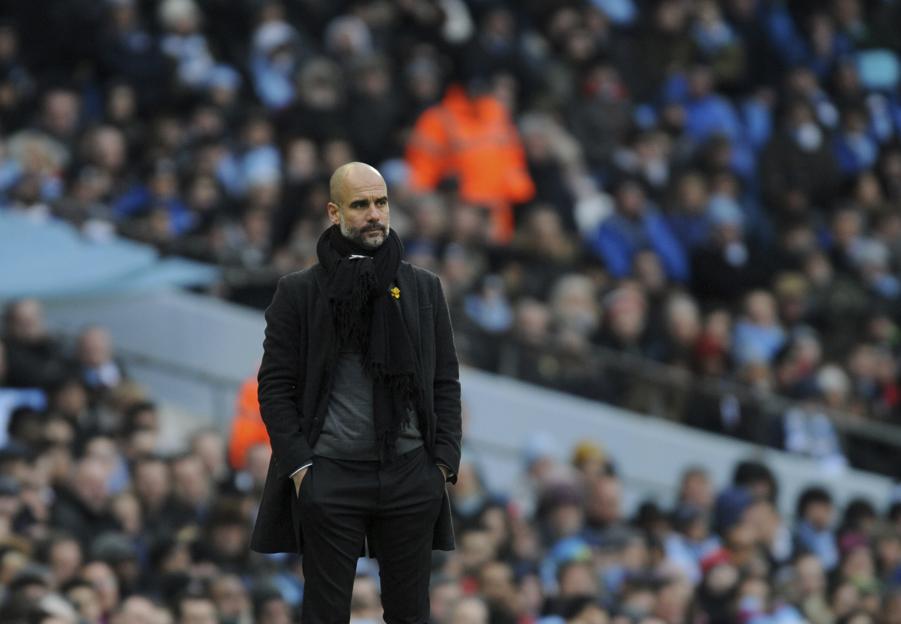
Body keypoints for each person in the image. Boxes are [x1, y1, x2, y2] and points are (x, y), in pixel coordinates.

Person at [251, 162, 462, 623]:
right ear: (334, 212)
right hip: (331, 475)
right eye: (360, 204)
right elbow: (274, 387)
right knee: (325, 615)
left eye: (381, 202)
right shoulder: (299, 292)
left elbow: (445, 380)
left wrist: (442, 464)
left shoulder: (423, 287)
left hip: (411, 474)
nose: (374, 214)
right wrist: (303, 468)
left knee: (411, 615)